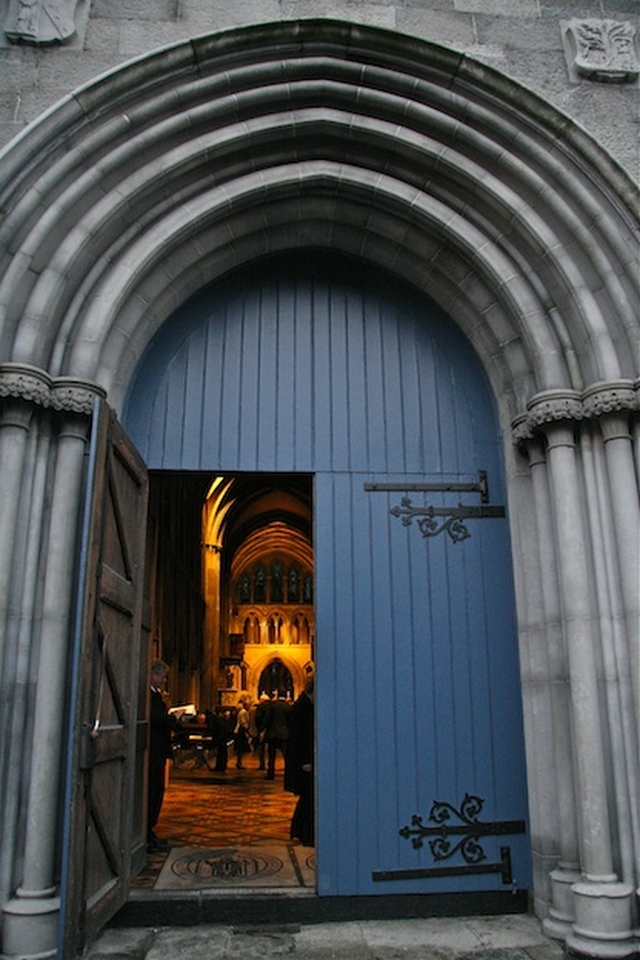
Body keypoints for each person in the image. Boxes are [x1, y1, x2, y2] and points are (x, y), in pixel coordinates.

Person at [147, 659, 179, 852]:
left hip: (157, 752)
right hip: (152, 752)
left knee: (156, 793)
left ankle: (149, 831)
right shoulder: (149, 696)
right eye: (162, 677)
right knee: (152, 792)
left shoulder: (155, 694)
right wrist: (172, 719)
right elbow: (155, 718)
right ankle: (146, 833)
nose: (164, 680)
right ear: (153, 675)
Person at [285, 676, 315, 846]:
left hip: (305, 760)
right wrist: (304, 761)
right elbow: (299, 738)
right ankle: (304, 833)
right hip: (304, 762)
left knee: (308, 797)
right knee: (308, 796)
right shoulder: (302, 708)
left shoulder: (306, 705)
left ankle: (300, 830)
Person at [263, 691, 290, 779]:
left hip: (272, 734)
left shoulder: (273, 706)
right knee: (286, 756)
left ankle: (270, 774)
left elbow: (267, 719)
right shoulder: (288, 707)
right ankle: (288, 774)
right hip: (285, 735)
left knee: (271, 756)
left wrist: (263, 729)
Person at [233, 694, 252, 769]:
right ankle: (239, 763)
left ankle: (239, 762)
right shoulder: (243, 712)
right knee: (240, 748)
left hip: (240, 730)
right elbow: (244, 722)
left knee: (240, 749)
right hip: (241, 731)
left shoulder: (241, 711)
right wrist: (247, 729)